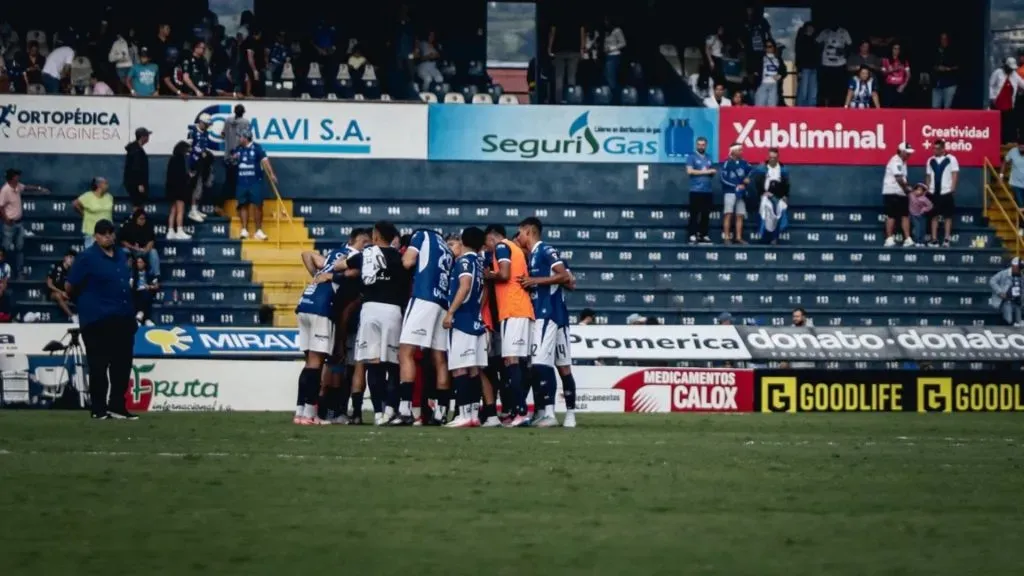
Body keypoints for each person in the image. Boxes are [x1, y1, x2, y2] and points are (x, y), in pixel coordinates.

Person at [331, 221, 409, 425]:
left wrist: (344, 261)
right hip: (392, 311)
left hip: (370, 310)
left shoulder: (366, 254)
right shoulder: (399, 257)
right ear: (393, 238)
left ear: (375, 236)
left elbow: (339, 265)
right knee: (392, 364)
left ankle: (377, 414)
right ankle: (390, 409)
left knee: (372, 363)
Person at [66, 219, 138, 420]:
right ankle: (99, 408)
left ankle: (117, 406)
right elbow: (70, 286)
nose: (108, 236)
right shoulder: (86, 258)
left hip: (123, 317)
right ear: (96, 236)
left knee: (122, 365)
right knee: (98, 365)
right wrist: (87, 301)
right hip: (97, 318)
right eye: (103, 233)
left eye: (110, 232)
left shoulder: (122, 256)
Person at [517, 217, 574, 428]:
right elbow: (570, 281)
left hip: (547, 313)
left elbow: (566, 276)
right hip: (553, 314)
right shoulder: (533, 256)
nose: (520, 237)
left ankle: (550, 412)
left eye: (521, 233)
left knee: (542, 364)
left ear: (529, 231)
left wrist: (535, 281)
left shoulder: (544, 250)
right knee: (560, 366)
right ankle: (561, 414)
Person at [398, 228, 454, 424]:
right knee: (440, 358)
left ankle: (405, 409)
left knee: (405, 351)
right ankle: (441, 411)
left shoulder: (421, 235)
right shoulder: (446, 248)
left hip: (423, 297)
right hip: (442, 303)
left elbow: (408, 261)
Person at [291, 243, 350, 425]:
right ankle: (310, 414)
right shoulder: (350, 260)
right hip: (320, 309)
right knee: (316, 363)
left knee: (309, 362)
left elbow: (306, 253)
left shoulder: (327, 261)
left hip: (304, 303)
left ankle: (300, 411)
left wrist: (315, 275)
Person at [483, 224, 534, 427]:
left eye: (487, 242)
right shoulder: (516, 250)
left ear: (492, 237)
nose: (487, 247)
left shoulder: (502, 247)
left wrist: (489, 275)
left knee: (511, 360)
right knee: (516, 361)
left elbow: (504, 274)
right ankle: (516, 410)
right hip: (519, 308)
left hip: (513, 309)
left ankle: (520, 411)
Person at [442, 227, 492, 428]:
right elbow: (485, 289)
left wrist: (451, 312)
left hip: (462, 319)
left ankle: (463, 415)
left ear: (463, 240)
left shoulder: (463, 261)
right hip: (476, 319)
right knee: (473, 369)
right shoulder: (479, 263)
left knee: (459, 368)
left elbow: (465, 285)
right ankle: (472, 414)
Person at [1, 168, 49, 279]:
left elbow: (26, 187)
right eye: (17, 176)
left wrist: (39, 189)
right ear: (12, 177)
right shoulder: (5, 190)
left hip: (19, 223)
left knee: (20, 249)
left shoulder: (17, 186)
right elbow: (1, 206)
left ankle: (19, 273)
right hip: (9, 225)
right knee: (6, 250)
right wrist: (6, 219)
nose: (18, 178)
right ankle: (5, 274)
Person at [232, 129, 275, 240]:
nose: (239, 139)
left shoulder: (257, 148)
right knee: (242, 205)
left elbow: (265, 161)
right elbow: (233, 160)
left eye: (240, 137)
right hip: (241, 182)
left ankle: (258, 231)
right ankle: (244, 230)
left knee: (258, 205)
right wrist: (233, 158)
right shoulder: (238, 149)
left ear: (245, 138)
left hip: (255, 182)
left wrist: (272, 174)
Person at [747, 148, 790, 244]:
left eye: (774, 158)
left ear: (778, 157)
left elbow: (786, 184)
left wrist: (785, 196)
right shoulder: (762, 168)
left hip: (778, 196)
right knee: (765, 211)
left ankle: (775, 237)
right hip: (766, 196)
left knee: (781, 210)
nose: (772, 159)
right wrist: (762, 193)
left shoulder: (783, 169)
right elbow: (756, 182)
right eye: (771, 157)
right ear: (768, 157)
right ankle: (764, 236)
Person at [925, 139, 960, 247]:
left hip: (946, 192)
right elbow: (928, 176)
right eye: (934, 148)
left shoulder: (951, 159)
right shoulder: (930, 160)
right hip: (933, 192)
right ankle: (934, 239)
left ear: (943, 149)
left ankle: (946, 240)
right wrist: (927, 189)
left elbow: (955, 174)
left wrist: (952, 188)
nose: (934, 150)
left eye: (937, 148)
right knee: (933, 216)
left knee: (947, 216)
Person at [882, 143, 915, 247]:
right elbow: (899, 178)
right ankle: (889, 239)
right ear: (901, 151)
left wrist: (906, 191)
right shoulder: (896, 161)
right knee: (891, 216)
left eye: (910, 153)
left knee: (905, 215)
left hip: (901, 193)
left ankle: (907, 238)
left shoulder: (903, 162)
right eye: (907, 153)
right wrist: (908, 189)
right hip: (892, 192)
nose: (909, 155)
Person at [686, 136, 716, 245]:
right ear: (696, 145)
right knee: (694, 214)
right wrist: (706, 172)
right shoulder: (691, 157)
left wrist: (711, 172)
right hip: (695, 190)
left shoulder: (709, 157)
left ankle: (703, 235)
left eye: (703, 145)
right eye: (699, 144)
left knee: (705, 214)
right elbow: (689, 171)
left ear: (706, 146)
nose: (701, 146)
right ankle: (692, 235)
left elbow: (710, 173)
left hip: (707, 190)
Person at [720, 143, 752, 244]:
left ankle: (738, 237)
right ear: (733, 151)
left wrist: (747, 180)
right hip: (730, 192)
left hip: (741, 193)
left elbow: (750, 172)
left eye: (741, 150)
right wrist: (735, 186)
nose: (741, 152)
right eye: (739, 150)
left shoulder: (744, 163)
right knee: (728, 214)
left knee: (740, 215)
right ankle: (726, 237)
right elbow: (722, 179)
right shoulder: (727, 163)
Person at [220, 105, 248, 218]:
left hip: (227, 156)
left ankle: (221, 205)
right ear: (243, 112)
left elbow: (223, 134)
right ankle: (238, 208)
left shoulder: (227, 120)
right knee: (240, 183)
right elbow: (246, 138)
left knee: (229, 182)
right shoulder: (245, 122)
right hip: (237, 156)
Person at [187, 113, 214, 224]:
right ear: (201, 122)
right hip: (194, 162)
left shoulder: (206, 133)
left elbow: (204, 147)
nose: (207, 126)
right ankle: (192, 210)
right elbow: (188, 147)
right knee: (195, 185)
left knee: (201, 185)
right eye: (206, 124)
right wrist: (198, 152)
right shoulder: (192, 132)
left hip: (203, 163)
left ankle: (196, 208)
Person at [73, 177, 113, 249]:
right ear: (99, 185)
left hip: (107, 233)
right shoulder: (87, 196)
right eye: (106, 183)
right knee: (92, 255)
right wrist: (83, 214)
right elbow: (75, 204)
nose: (108, 185)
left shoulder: (109, 197)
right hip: (92, 232)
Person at [119, 209, 159, 279]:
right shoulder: (128, 226)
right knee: (123, 251)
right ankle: (124, 275)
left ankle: (155, 276)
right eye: (140, 219)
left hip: (144, 250)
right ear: (136, 219)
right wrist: (133, 247)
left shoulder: (148, 226)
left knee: (153, 252)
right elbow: (122, 241)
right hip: (131, 250)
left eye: (144, 219)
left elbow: (151, 241)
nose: (142, 221)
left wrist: (146, 249)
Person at [165, 141, 193, 240]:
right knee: (180, 210)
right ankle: (179, 231)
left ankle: (170, 231)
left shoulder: (172, 159)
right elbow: (180, 175)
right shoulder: (180, 159)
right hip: (179, 188)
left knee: (173, 210)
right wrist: (188, 176)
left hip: (171, 189)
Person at [990, 257, 1024, 326]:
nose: (1020, 270)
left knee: (1019, 322)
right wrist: (1000, 292)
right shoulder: (1004, 273)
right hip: (1007, 300)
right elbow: (992, 281)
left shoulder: (1022, 275)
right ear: (1014, 266)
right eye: (1019, 268)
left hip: (1017, 301)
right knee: (1009, 321)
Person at [123, 128, 151, 209]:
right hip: (135, 184)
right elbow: (136, 168)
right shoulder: (136, 150)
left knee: (138, 205)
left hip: (133, 182)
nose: (148, 138)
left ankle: (136, 220)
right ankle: (136, 221)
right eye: (147, 136)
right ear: (142, 137)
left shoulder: (135, 148)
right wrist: (139, 183)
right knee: (137, 205)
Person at [46, 250, 77, 322]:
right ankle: (72, 316)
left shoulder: (73, 270)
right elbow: (49, 284)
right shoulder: (56, 267)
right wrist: (61, 292)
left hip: (66, 293)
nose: (72, 260)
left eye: (73, 259)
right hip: (53, 292)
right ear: (65, 258)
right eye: (70, 257)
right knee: (57, 295)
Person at [1001, 141, 1024, 234]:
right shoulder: (1012, 151)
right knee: (1021, 207)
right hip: (1015, 184)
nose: (1022, 148)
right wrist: (1001, 175)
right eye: (1020, 146)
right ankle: (1022, 227)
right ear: (1018, 146)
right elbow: (1005, 162)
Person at [131, 255, 158, 326]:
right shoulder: (133, 273)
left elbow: (156, 286)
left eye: (141, 262)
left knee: (146, 294)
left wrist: (150, 286)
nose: (139, 264)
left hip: (147, 291)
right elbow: (130, 285)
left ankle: (141, 315)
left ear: (144, 263)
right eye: (138, 262)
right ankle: (146, 319)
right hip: (136, 292)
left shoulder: (150, 272)